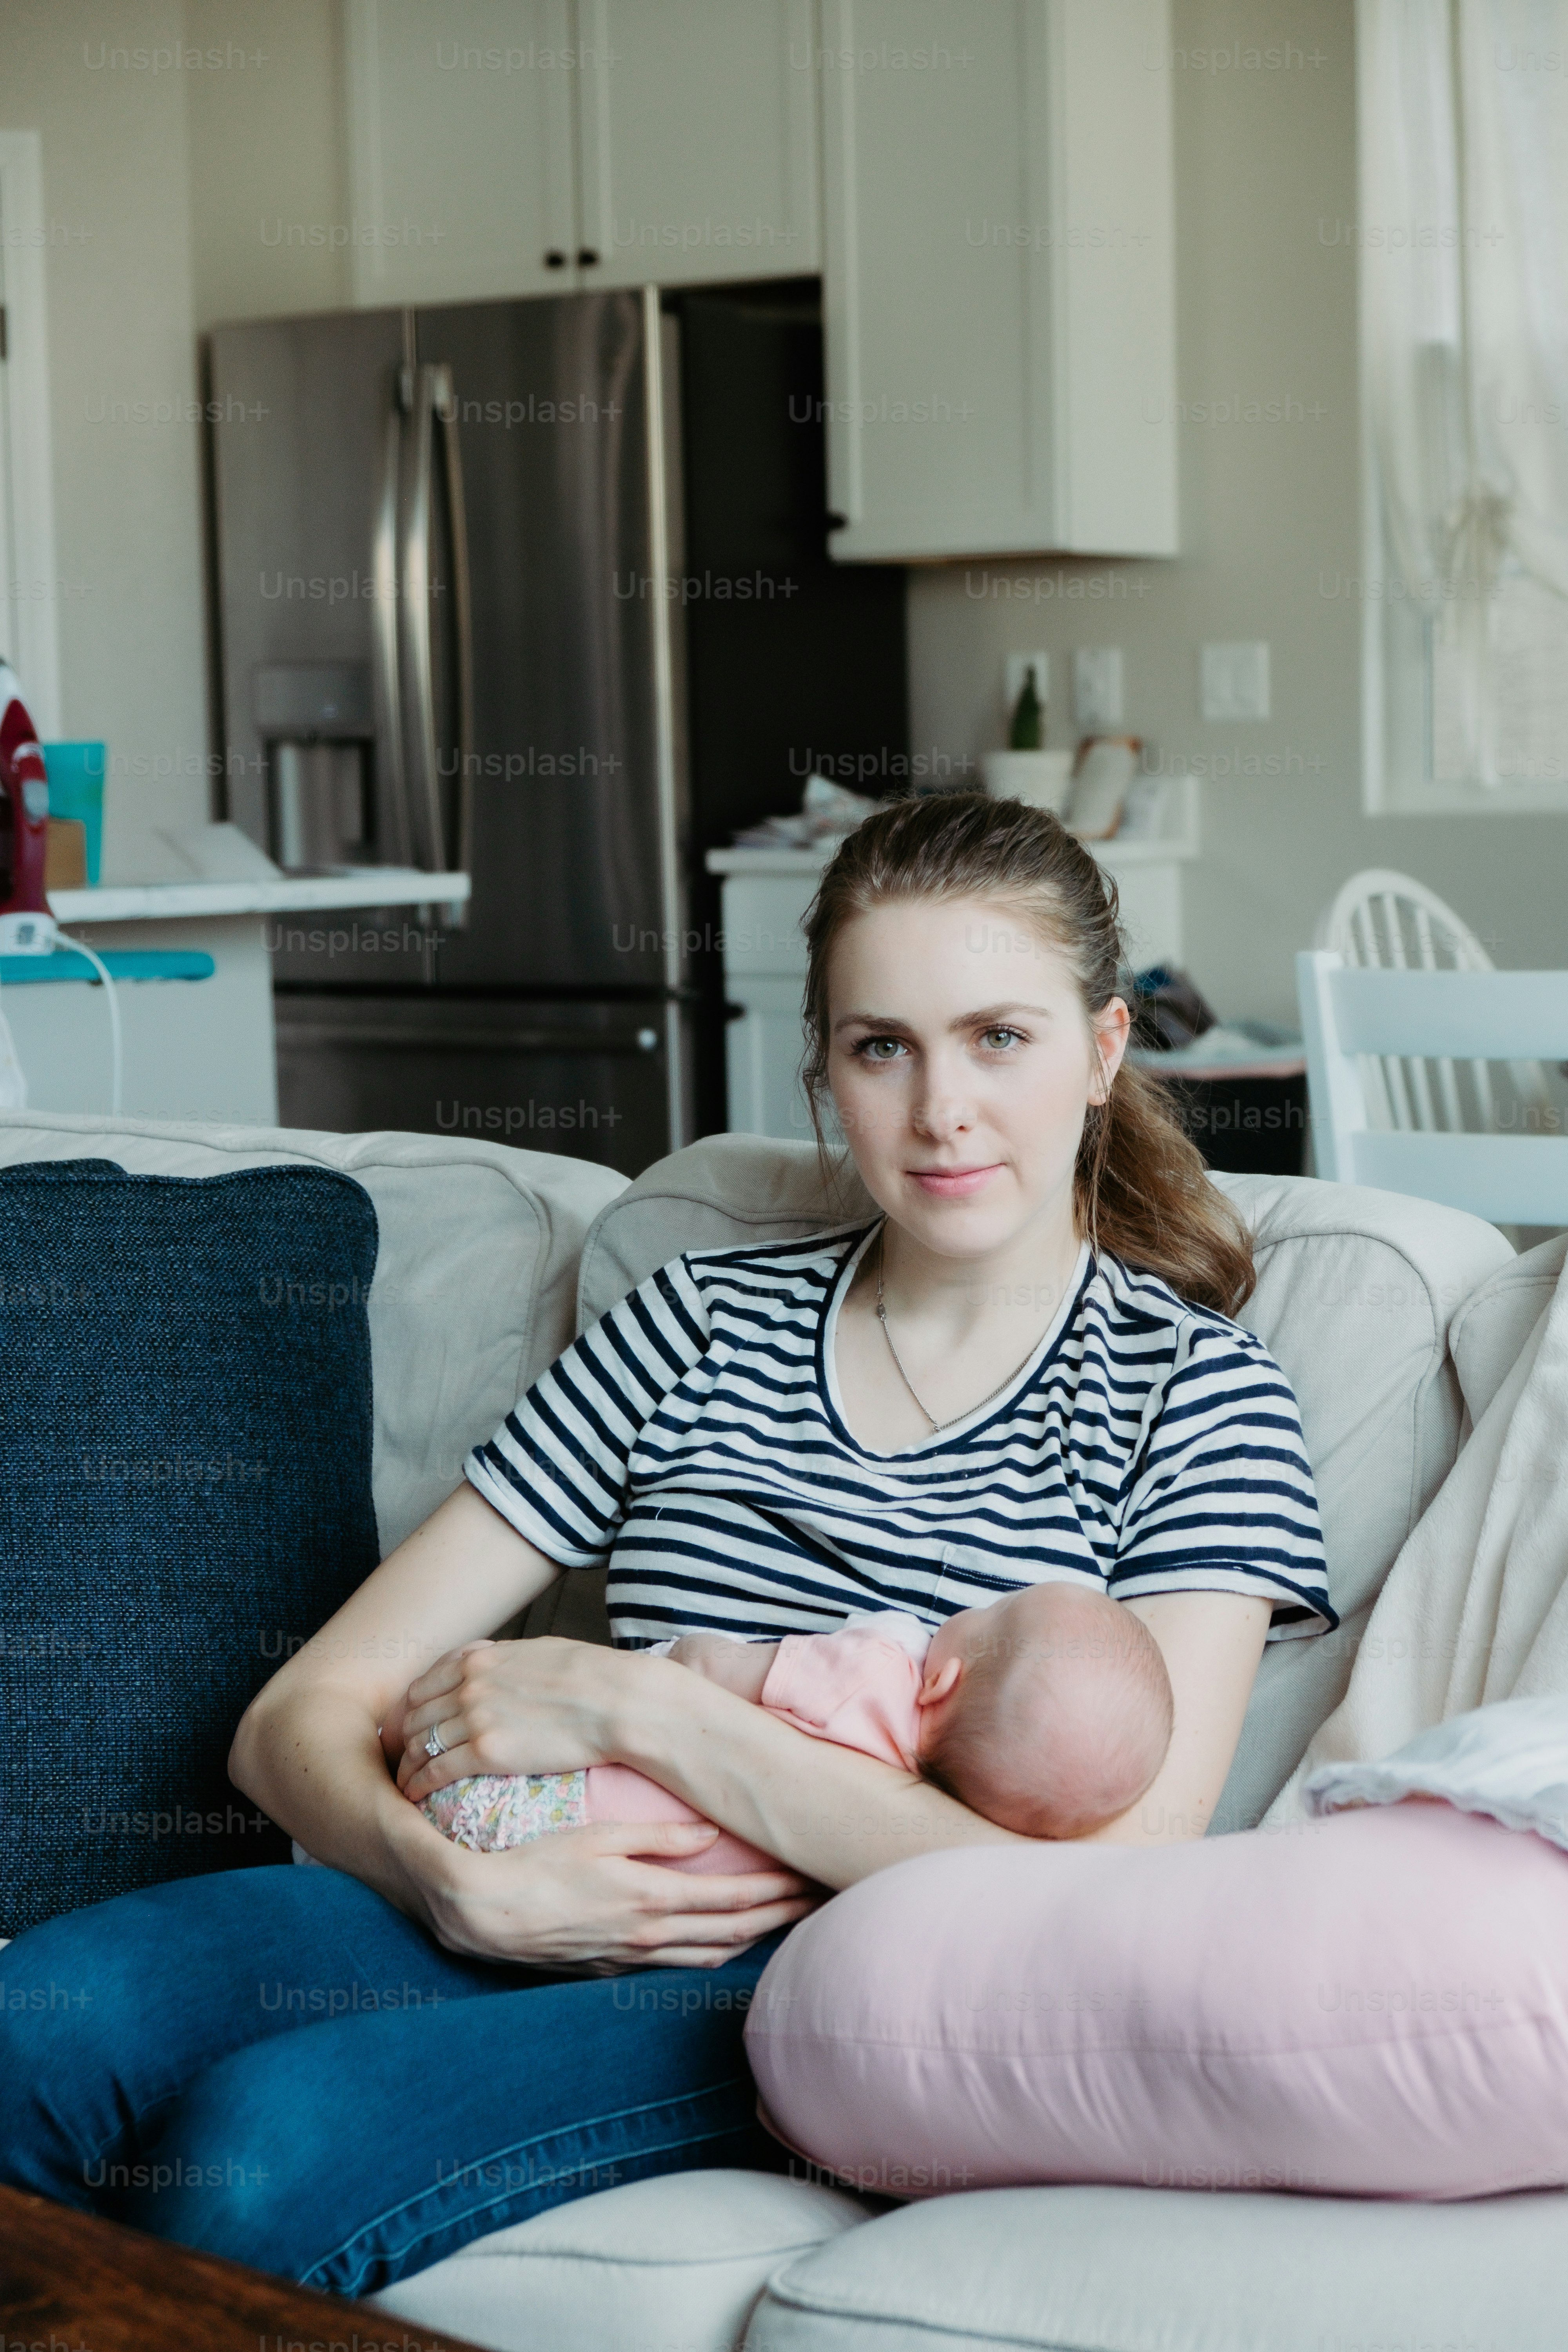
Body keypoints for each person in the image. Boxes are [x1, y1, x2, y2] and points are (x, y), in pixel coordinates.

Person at [0, 793, 1333, 2294]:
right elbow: (297, 1716)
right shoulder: (699, 1323)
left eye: (998, 1039)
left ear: (1101, 1051)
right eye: (881, 1047)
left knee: (260, 2150)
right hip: (520, 1876)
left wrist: (645, 1707)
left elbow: (1112, 1883)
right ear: (823, 1068)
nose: (941, 1109)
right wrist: (446, 1881)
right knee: (38, 2027)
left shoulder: (1197, 1395)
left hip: (813, 1993)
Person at [414, 1584, 1175, 1862]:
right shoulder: (913, 1833)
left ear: (943, 1680)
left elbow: (711, 1670)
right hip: (643, 1883)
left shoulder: (874, 1669)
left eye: (994, 1611)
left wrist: (660, 1668)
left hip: (550, 1801)